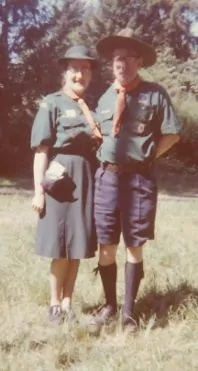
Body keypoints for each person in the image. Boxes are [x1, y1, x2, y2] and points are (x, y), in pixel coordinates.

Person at [90, 28, 181, 334]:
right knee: (106, 246)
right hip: (107, 178)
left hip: (139, 180)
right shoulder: (104, 97)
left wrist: (150, 154)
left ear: (138, 61)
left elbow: (172, 132)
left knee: (134, 246)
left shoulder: (155, 93)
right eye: (117, 58)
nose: (121, 63)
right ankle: (110, 306)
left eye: (128, 58)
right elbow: (99, 135)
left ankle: (128, 313)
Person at [31, 45, 101, 323]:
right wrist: (38, 190)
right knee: (60, 248)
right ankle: (54, 305)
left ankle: (69, 303)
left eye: (85, 69)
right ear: (66, 71)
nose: (80, 74)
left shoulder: (89, 109)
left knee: (77, 246)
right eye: (75, 68)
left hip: (85, 177)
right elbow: (41, 149)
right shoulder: (52, 102)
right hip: (59, 177)